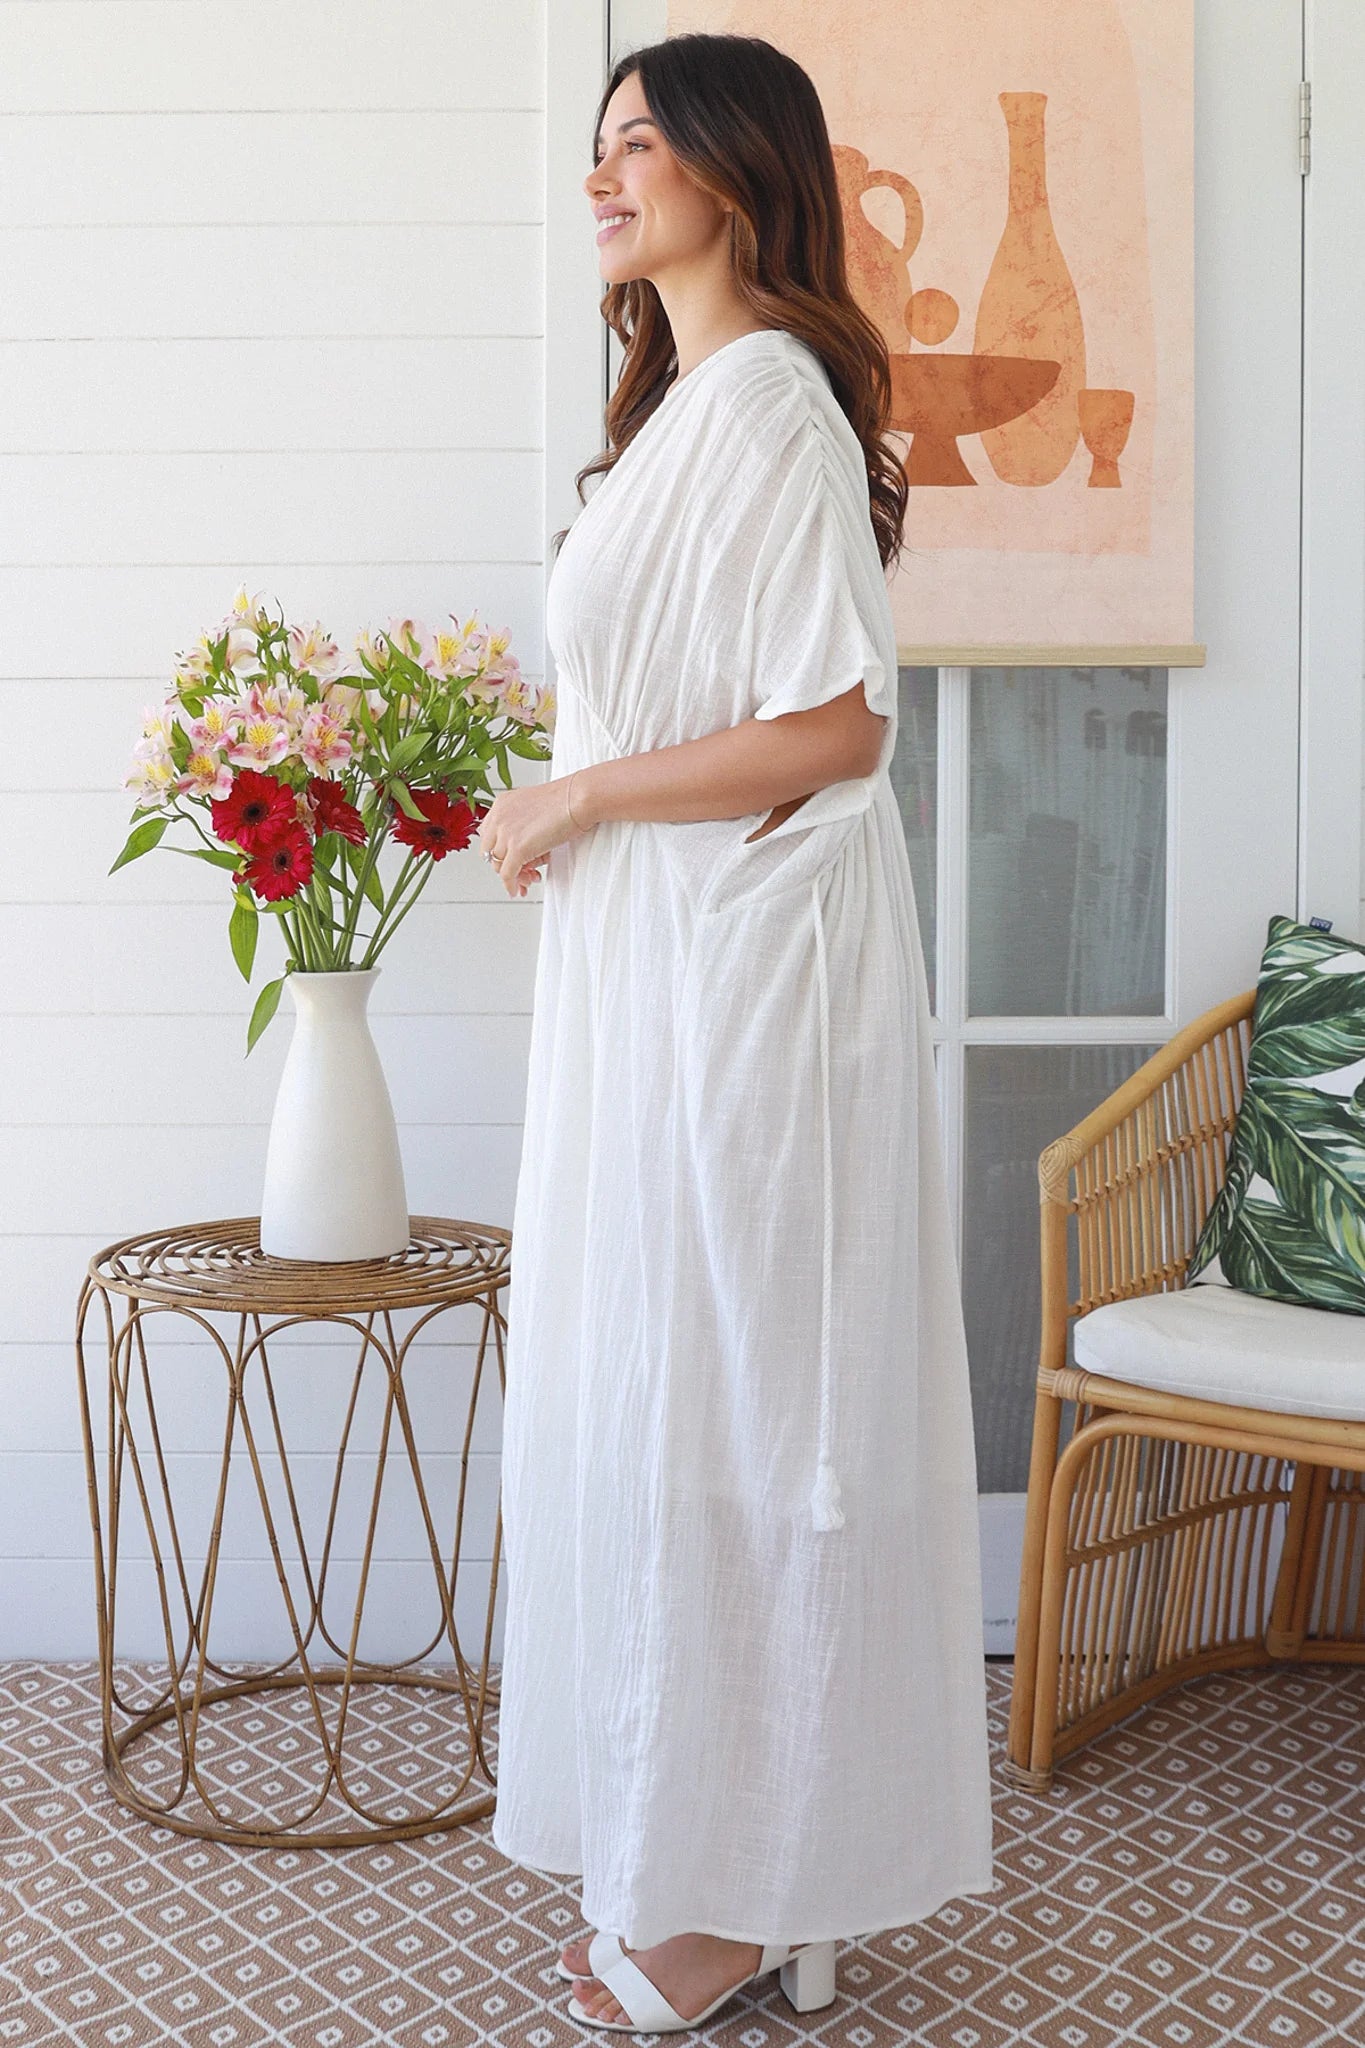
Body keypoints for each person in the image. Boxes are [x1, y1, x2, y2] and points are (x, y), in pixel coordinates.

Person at [475, 31, 995, 2034]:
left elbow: (836, 726)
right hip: (667, 973)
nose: (598, 176)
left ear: (732, 169)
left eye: (637, 143)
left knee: (748, 1405)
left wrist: (579, 800)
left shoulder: (768, 397)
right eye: (595, 142)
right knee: (670, 1396)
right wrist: (584, 818)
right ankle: (699, 1840)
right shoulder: (692, 408)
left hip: (742, 986)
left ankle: (748, 1888)